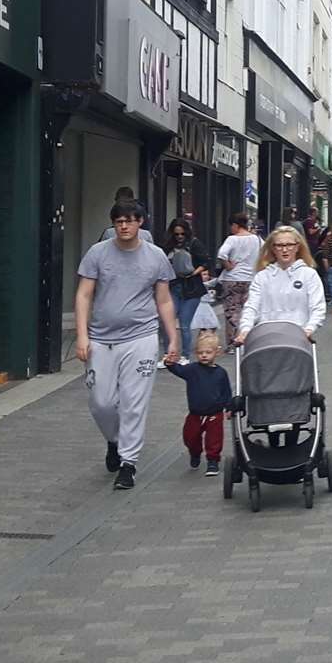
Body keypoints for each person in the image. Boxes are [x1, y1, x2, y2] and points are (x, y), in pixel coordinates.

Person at [74, 201, 180, 490]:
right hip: (101, 338)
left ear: (140, 223)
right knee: (101, 402)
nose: (124, 226)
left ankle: (128, 463)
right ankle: (115, 440)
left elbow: (164, 299)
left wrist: (173, 337)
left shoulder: (155, 257)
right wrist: (82, 335)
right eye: (119, 221)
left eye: (130, 221)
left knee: (134, 402)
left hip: (141, 337)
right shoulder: (97, 254)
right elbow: (84, 295)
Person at [233, 226, 328, 343]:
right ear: (273, 248)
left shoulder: (309, 274)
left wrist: (309, 329)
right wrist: (245, 329)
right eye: (280, 245)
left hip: (298, 338)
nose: (285, 250)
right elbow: (252, 307)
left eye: (289, 245)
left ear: (297, 246)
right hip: (267, 338)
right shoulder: (262, 277)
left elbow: (318, 307)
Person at [166, 332, 232, 476]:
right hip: (195, 413)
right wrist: (170, 364)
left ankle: (213, 461)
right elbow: (179, 370)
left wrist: (229, 407)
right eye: (200, 352)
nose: (204, 355)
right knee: (190, 437)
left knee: (214, 439)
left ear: (217, 352)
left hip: (215, 413)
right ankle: (194, 453)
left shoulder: (221, 373)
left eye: (208, 352)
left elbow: (226, 391)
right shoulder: (192, 369)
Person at [164, 221, 211, 362]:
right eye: (177, 234)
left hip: (191, 288)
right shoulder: (168, 246)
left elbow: (205, 262)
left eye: (182, 234)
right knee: (168, 321)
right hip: (174, 285)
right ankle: (169, 354)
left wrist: (193, 273)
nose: (179, 236)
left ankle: (185, 355)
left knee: (184, 323)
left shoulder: (194, 244)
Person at [215, 213, 260, 340]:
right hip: (251, 279)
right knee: (250, 310)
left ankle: (233, 341)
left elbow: (222, 254)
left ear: (235, 225)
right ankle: (248, 338)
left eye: (231, 226)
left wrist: (228, 266)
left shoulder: (232, 239)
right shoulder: (257, 239)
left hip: (232, 279)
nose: (231, 229)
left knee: (232, 311)